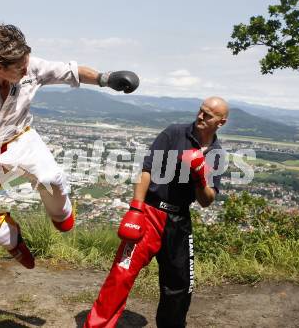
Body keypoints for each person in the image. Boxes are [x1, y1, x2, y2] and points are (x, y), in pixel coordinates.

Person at [0, 19, 139, 270]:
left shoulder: (29, 66)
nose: (26, 70)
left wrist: (105, 78)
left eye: (27, 63)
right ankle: (11, 237)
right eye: (20, 68)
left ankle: (62, 216)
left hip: (24, 139)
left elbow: (70, 72)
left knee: (51, 179)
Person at [84, 97, 229, 327]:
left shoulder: (217, 155)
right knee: (122, 273)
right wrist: (136, 208)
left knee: (180, 284)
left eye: (208, 115)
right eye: (200, 111)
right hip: (151, 211)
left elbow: (206, 200)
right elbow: (147, 171)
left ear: (220, 122)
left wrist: (200, 177)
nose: (200, 116)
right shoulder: (174, 133)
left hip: (179, 220)